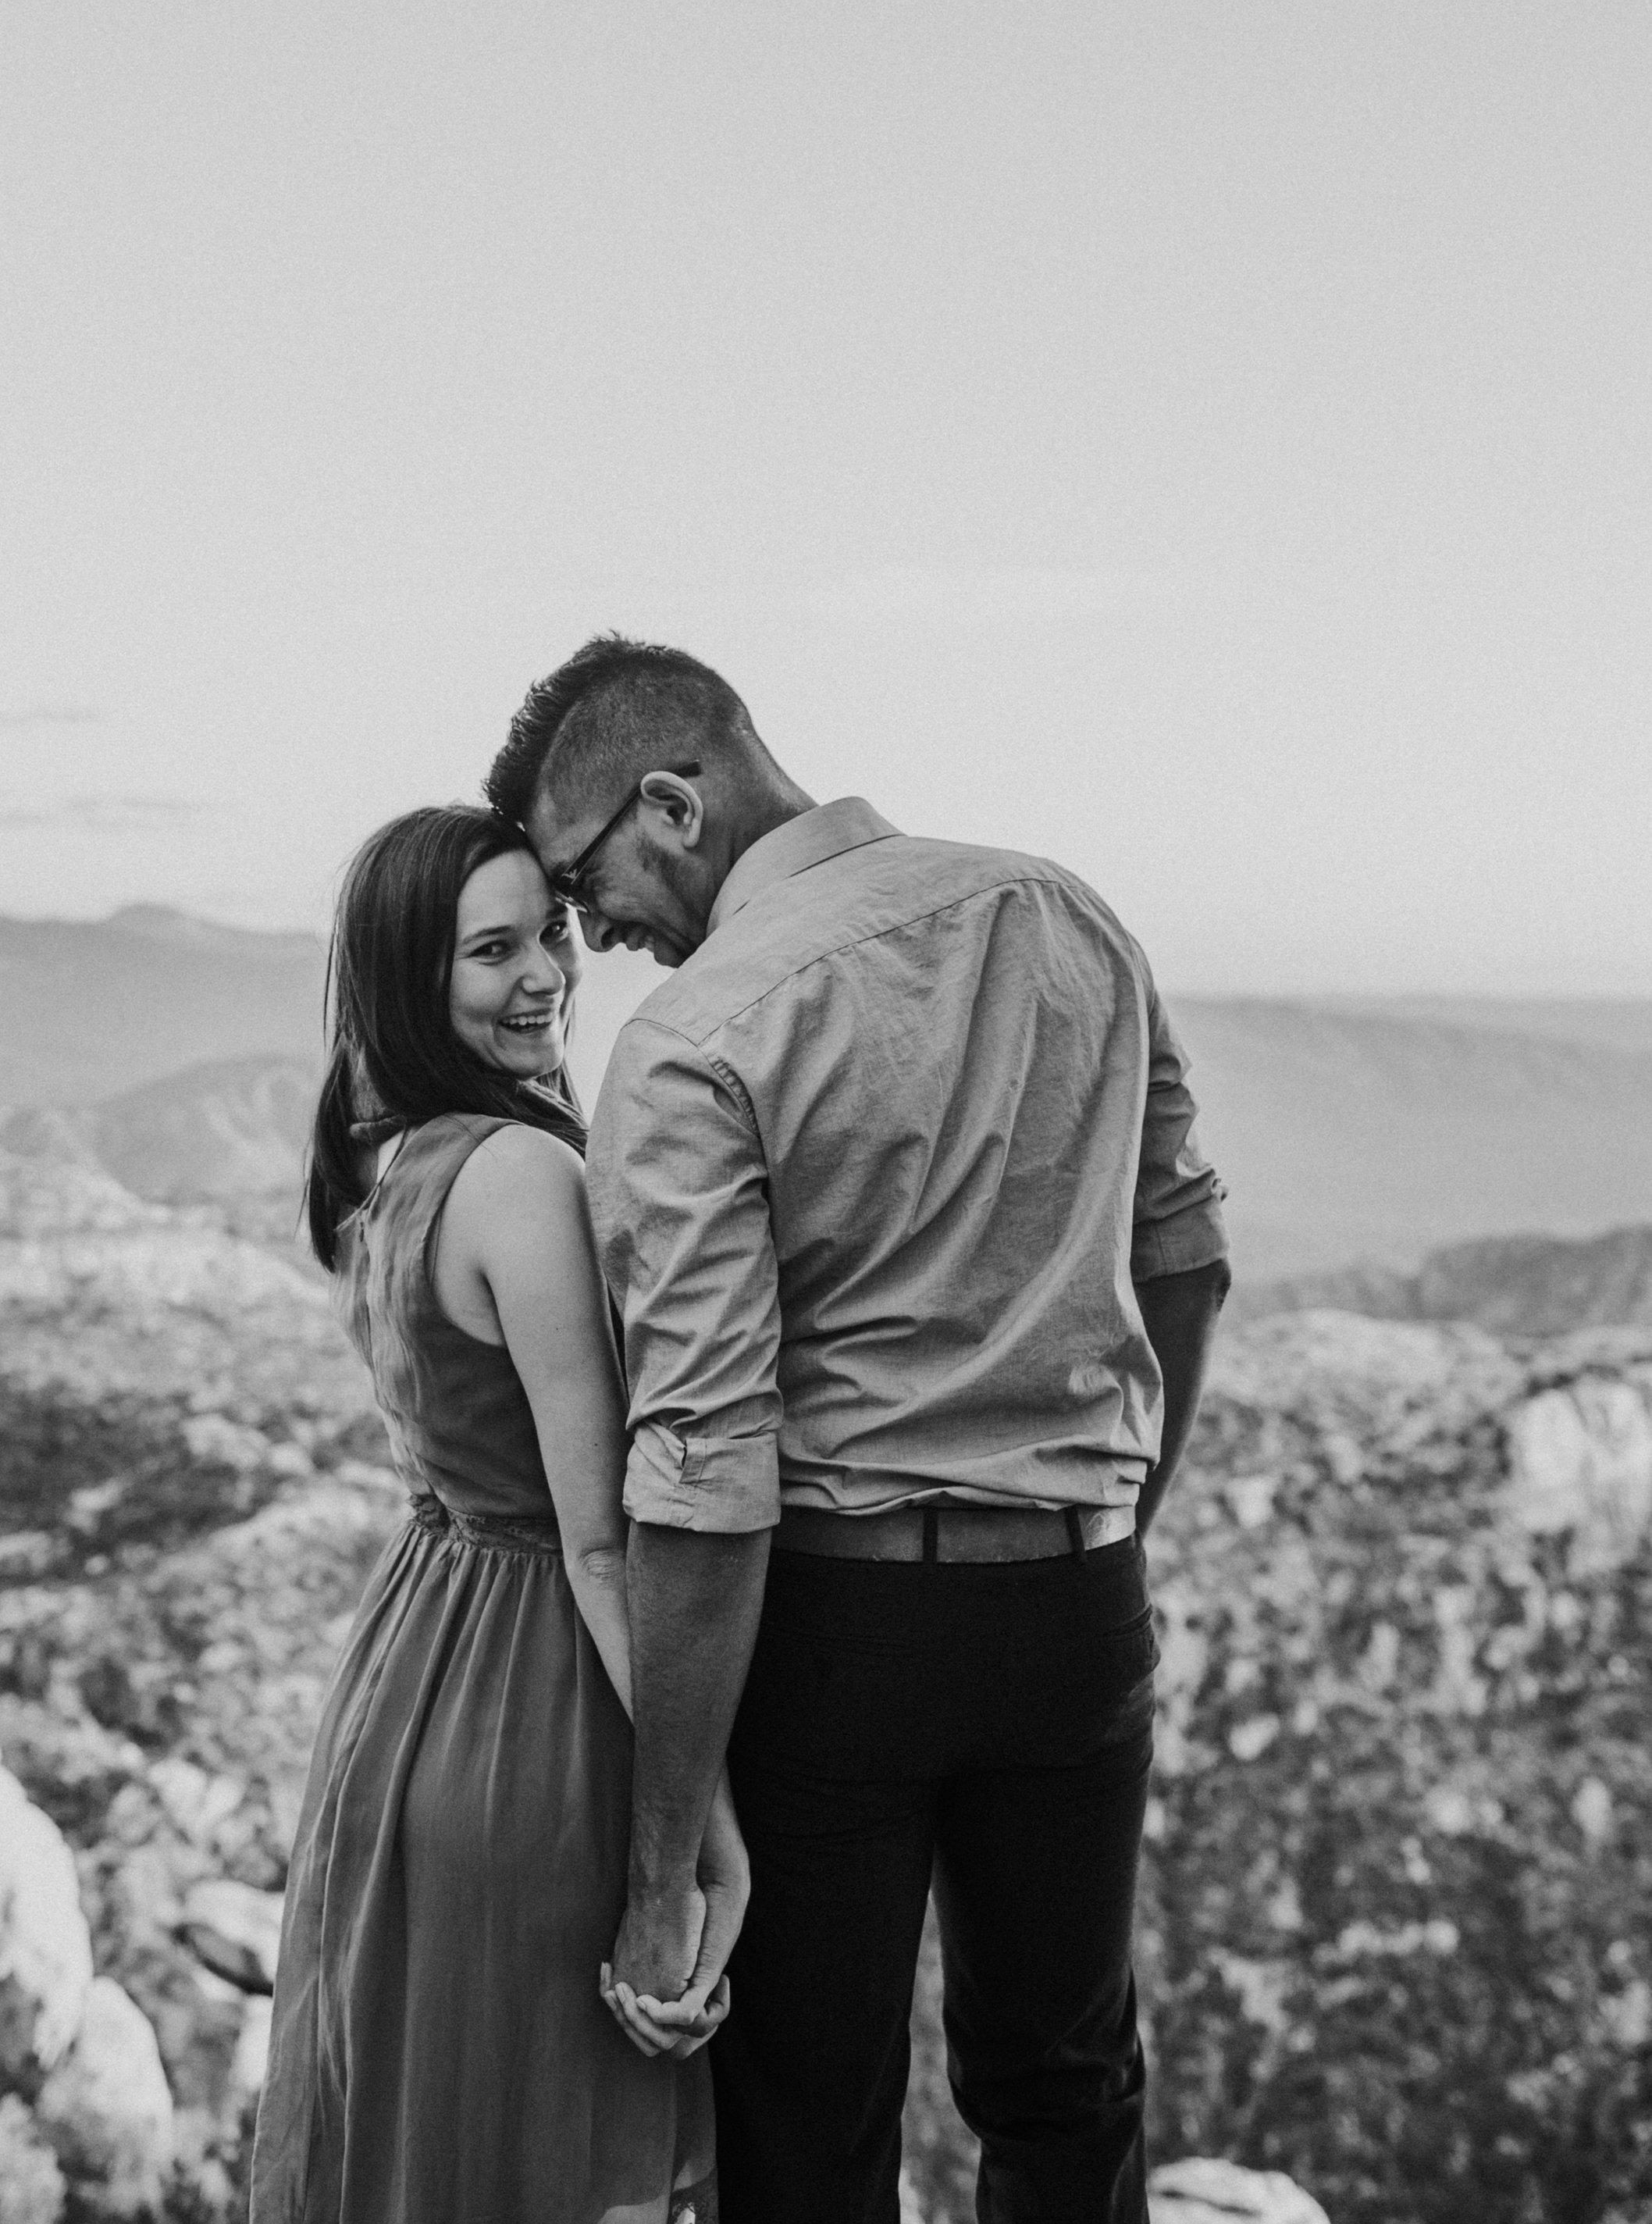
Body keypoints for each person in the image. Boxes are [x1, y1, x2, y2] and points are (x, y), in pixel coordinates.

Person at [486, 638, 1234, 2224]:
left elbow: (703, 1469)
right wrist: (1104, 1520)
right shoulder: (1062, 911)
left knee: (808, 2125)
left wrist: (662, 1854)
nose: (592, 928)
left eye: (584, 875)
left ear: (673, 804)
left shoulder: (698, 1037)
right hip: (1075, 1606)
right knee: (1063, 2087)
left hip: (835, 1628)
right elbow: (1184, 1256)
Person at [248, 803, 742, 2224]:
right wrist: (705, 1826)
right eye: (493, 950)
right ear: (416, 978)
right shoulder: (522, 1177)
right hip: (539, 1705)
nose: (548, 973)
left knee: (426, 2135)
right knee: (560, 2153)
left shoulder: (381, 1162)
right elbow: (598, 1538)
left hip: (413, 1679)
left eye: (553, 932)